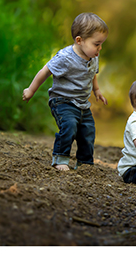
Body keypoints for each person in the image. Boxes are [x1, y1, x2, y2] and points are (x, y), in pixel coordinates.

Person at [22, 12, 109, 171]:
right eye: (97, 44)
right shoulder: (65, 57)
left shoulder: (93, 56)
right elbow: (45, 70)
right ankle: (60, 158)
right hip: (62, 101)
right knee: (69, 125)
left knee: (88, 131)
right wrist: (30, 90)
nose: (100, 48)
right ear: (79, 40)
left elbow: (92, 74)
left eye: (101, 44)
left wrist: (97, 90)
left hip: (82, 104)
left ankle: (85, 163)